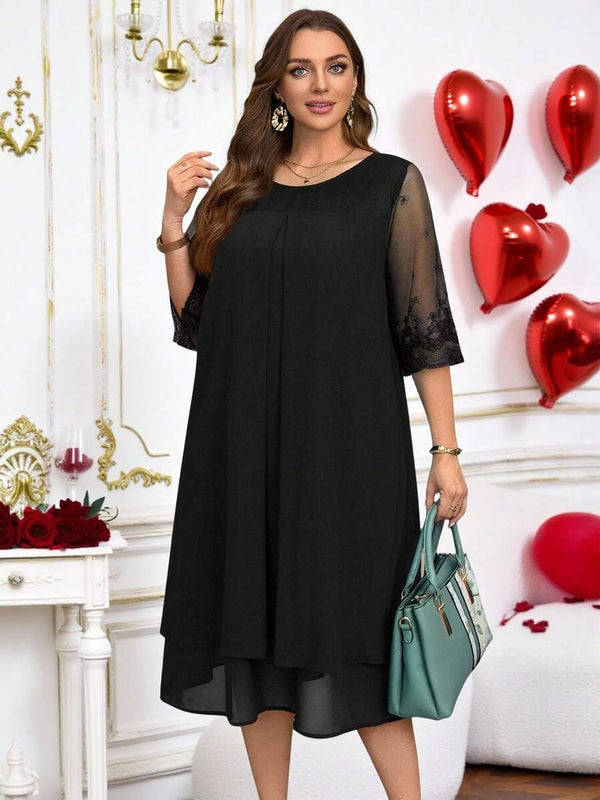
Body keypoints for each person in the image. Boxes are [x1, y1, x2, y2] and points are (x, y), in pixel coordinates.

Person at [158, 9, 467, 800]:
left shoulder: (392, 183)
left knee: (363, 640)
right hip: (242, 447)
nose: (320, 84)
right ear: (278, 86)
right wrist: (172, 227)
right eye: (301, 69)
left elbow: (424, 327)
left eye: (336, 66)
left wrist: (446, 451)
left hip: (349, 452)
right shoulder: (240, 190)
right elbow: (198, 325)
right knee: (253, 639)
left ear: (355, 78)